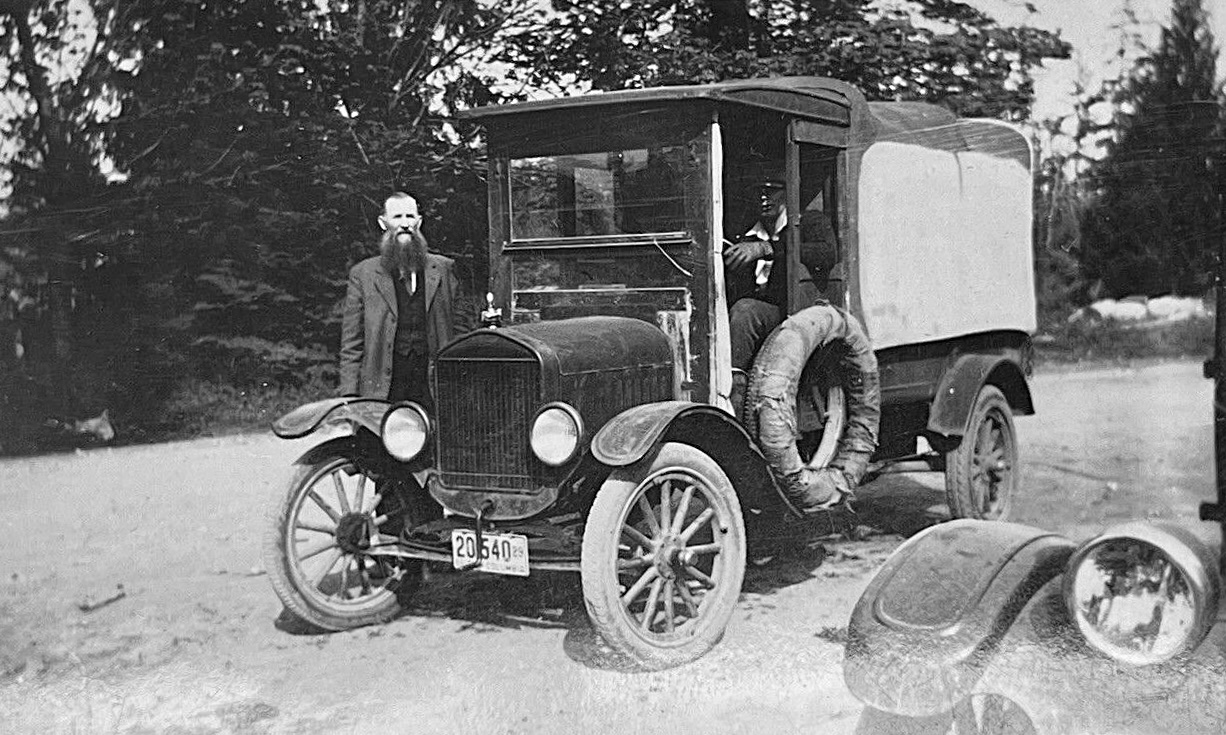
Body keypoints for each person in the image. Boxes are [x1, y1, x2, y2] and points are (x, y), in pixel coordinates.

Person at [339, 192, 471, 407]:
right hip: (384, 389)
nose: (405, 224)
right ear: (383, 223)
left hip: (434, 387)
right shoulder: (363, 274)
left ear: (419, 221)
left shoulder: (445, 269)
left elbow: (461, 333)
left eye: (410, 216)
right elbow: (352, 343)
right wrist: (349, 395)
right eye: (397, 217)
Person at [724, 181, 838, 377]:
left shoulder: (809, 222)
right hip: (760, 318)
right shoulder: (747, 234)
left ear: (787, 193)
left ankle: (736, 381)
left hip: (794, 311)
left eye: (771, 191)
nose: (763, 198)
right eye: (758, 191)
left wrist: (768, 249)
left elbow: (827, 253)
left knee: (745, 311)